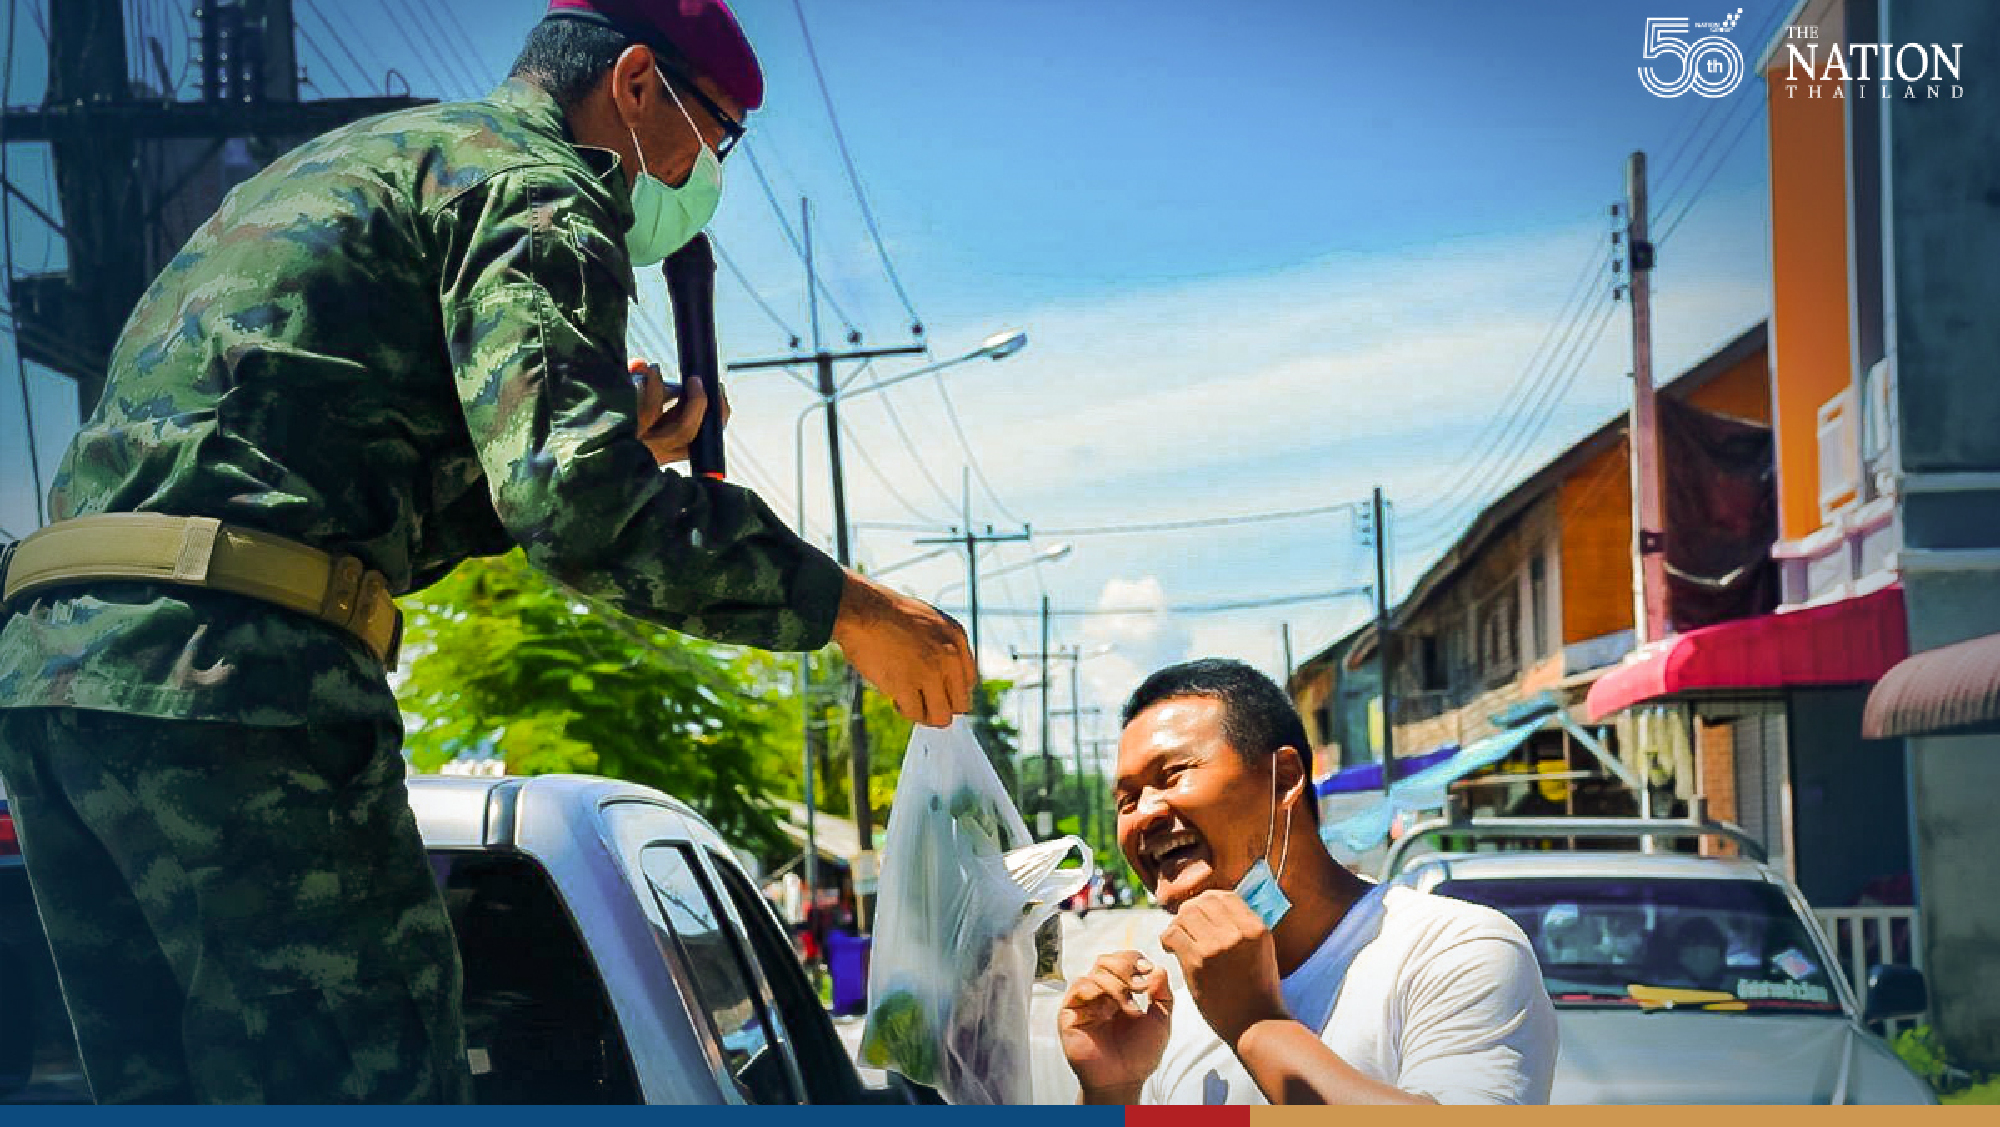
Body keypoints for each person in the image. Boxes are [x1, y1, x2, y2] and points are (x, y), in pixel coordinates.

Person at [0, 0, 972, 1104]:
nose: (709, 176)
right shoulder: (539, 183)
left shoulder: (364, 159)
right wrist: (846, 605)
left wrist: (579, 456)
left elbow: (332, 482)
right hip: (232, 675)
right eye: (717, 135)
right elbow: (576, 508)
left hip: (55, 673)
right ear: (638, 83)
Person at [1060, 659, 1557, 1105]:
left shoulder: (1455, 949)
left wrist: (1257, 1025)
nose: (1144, 813)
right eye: (1126, 800)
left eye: (1172, 775)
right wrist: (1112, 1092)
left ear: (1286, 777)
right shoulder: (1175, 1003)